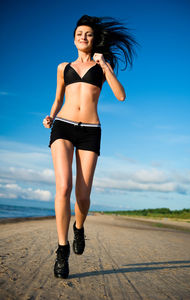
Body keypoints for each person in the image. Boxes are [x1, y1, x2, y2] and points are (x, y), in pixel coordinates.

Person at [43, 15, 138, 279]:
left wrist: (106, 66)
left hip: (90, 131)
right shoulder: (63, 67)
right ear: (74, 39)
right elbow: (58, 97)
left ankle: (79, 226)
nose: (83, 37)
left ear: (94, 39)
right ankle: (62, 251)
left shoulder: (101, 67)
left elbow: (121, 95)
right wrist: (50, 115)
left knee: (82, 196)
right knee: (64, 186)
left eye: (88, 34)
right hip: (62, 125)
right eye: (79, 34)